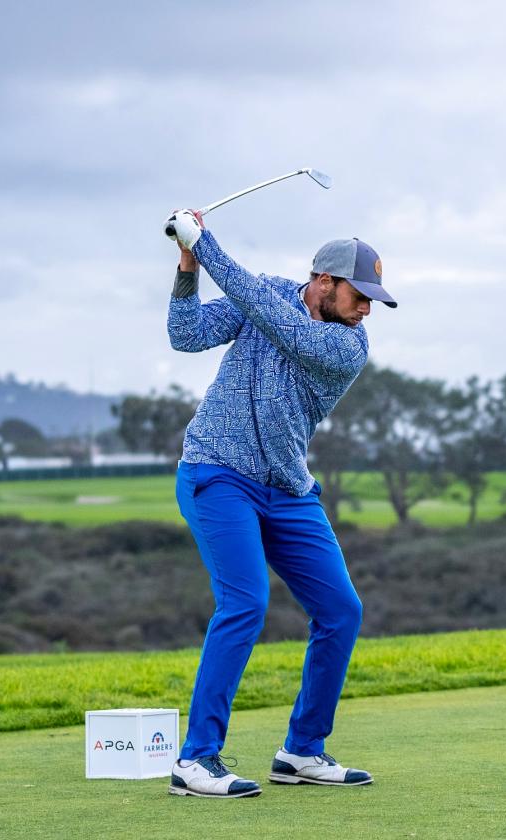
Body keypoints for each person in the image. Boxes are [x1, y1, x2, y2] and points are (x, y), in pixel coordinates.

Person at [160, 208, 398, 798]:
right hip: (217, 473)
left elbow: (278, 323)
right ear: (324, 281)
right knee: (245, 603)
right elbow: (186, 334)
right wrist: (189, 265)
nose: (367, 307)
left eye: (373, 298)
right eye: (359, 294)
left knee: (342, 610)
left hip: (288, 489)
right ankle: (196, 761)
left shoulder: (348, 346)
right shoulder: (265, 293)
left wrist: (204, 241)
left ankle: (301, 751)